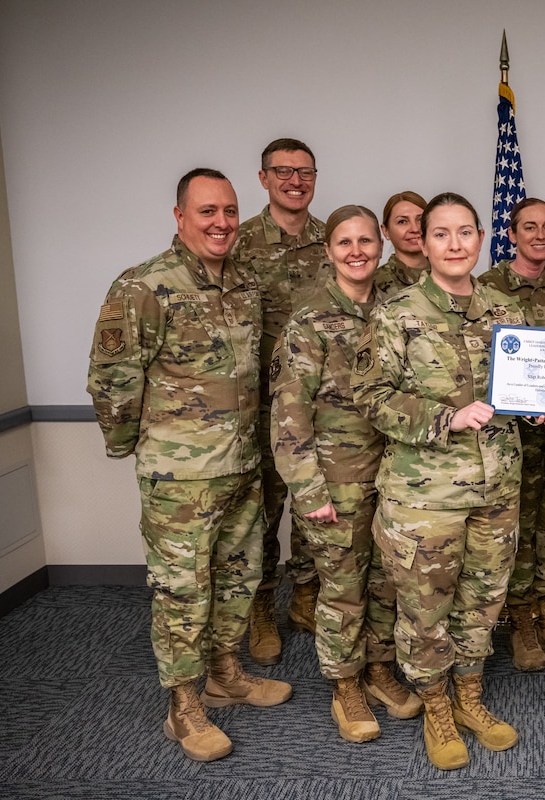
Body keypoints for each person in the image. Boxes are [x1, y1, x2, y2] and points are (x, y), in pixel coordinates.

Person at [87, 168, 292, 762]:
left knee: (237, 577)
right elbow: (112, 378)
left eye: (229, 211)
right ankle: (183, 705)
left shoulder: (246, 284)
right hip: (180, 479)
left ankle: (225, 674)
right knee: (181, 592)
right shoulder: (144, 286)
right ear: (180, 216)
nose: (222, 223)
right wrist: (135, 447)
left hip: (241, 467)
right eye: (207, 212)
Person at [351, 192, 529, 770]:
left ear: (481, 239)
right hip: (425, 495)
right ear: (422, 244)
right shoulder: (396, 312)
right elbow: (370, 396)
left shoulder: (506, 311)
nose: (455, 244)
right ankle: (437, 708)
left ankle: (471, 697)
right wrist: (445, 418)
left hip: (496, 489)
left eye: (466, 232)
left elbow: (525, 393)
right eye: (441, 234)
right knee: (426, 609)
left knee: (482, 602)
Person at [270, 205, 422, 743]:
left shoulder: (400, 306)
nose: (356, 251)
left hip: (397, 473)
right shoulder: (309, 318)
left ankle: (378, 667)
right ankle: (345, 683)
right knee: (343, 586)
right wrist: (308, 492)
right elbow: (289, 412)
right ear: (329, 250)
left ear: (380, 244)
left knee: (386, 581)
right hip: (336, 478)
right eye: (344, 243)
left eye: (365, 241)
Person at [232, 138, 330, 664]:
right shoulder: (239, 242)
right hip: (263, 408)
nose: (296, 181)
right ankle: (261, 608)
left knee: (319, 513)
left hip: (323, 408)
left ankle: (307, 599)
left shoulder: (331, 240)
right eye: (284, 171)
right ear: (264, 177)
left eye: (305, 171)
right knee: (263, 516)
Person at [478, 197, 545, 671]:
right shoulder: (486, 289)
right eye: (529, 228)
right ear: (511, 234)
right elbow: (478, 365)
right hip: (510, 437)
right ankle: (521, 619)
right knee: (516, 526)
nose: (540, 235)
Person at [374, 191, 429, 298]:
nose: (414, 229)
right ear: (385, 231)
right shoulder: (375, 284)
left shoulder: (448, 274)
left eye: (420, 220)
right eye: (402, 222)